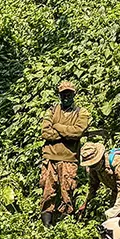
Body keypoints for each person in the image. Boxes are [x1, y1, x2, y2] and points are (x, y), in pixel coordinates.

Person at [40, 81, 91, 226]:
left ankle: (66, 225)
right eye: (63, 94)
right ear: (60, 95)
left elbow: (77, 132)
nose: (66, 97)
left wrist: (57, 127)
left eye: (69, 94)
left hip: (69, 158)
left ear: (74, 94)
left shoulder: (82, 112)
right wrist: (66, 133)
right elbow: (45, 132)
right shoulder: (52, 110)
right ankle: (47, 227)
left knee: (67, 192)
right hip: (50, 157)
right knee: (48, 192)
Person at [77, 143, 120, 215]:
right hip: (116, 189)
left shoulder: (117, 161)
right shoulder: (93, 169)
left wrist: (119, 205)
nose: (93, 166)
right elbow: (93, 186)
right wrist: (86, 203)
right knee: (113, 214)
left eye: (95, 164)